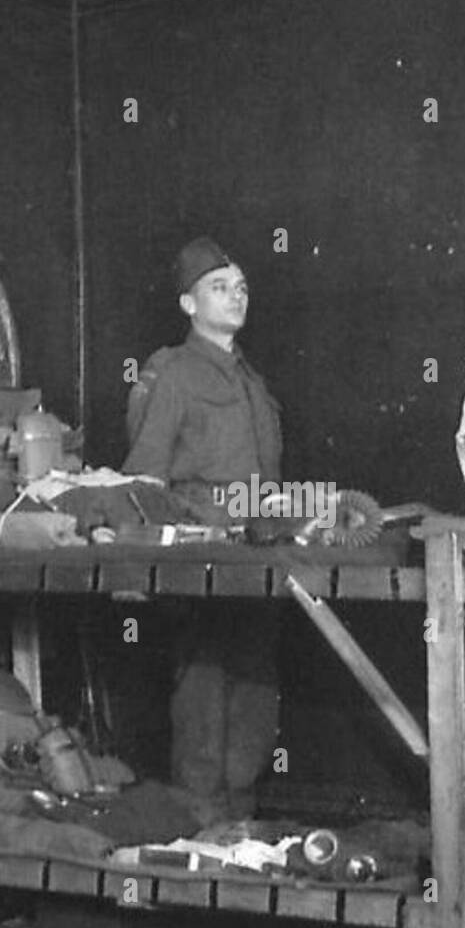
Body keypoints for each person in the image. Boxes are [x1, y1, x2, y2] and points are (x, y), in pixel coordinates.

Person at [123, 236, 282, 824]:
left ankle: (240, 821)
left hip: (258, 555)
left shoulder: (252, 381)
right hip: (201, 560)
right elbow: (144, 479)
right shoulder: (173, 374)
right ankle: (200, 822)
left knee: (255, 688)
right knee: (203, 688)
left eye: (241, 287)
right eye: (220, 287)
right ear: (188, 304)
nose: (236, 296)